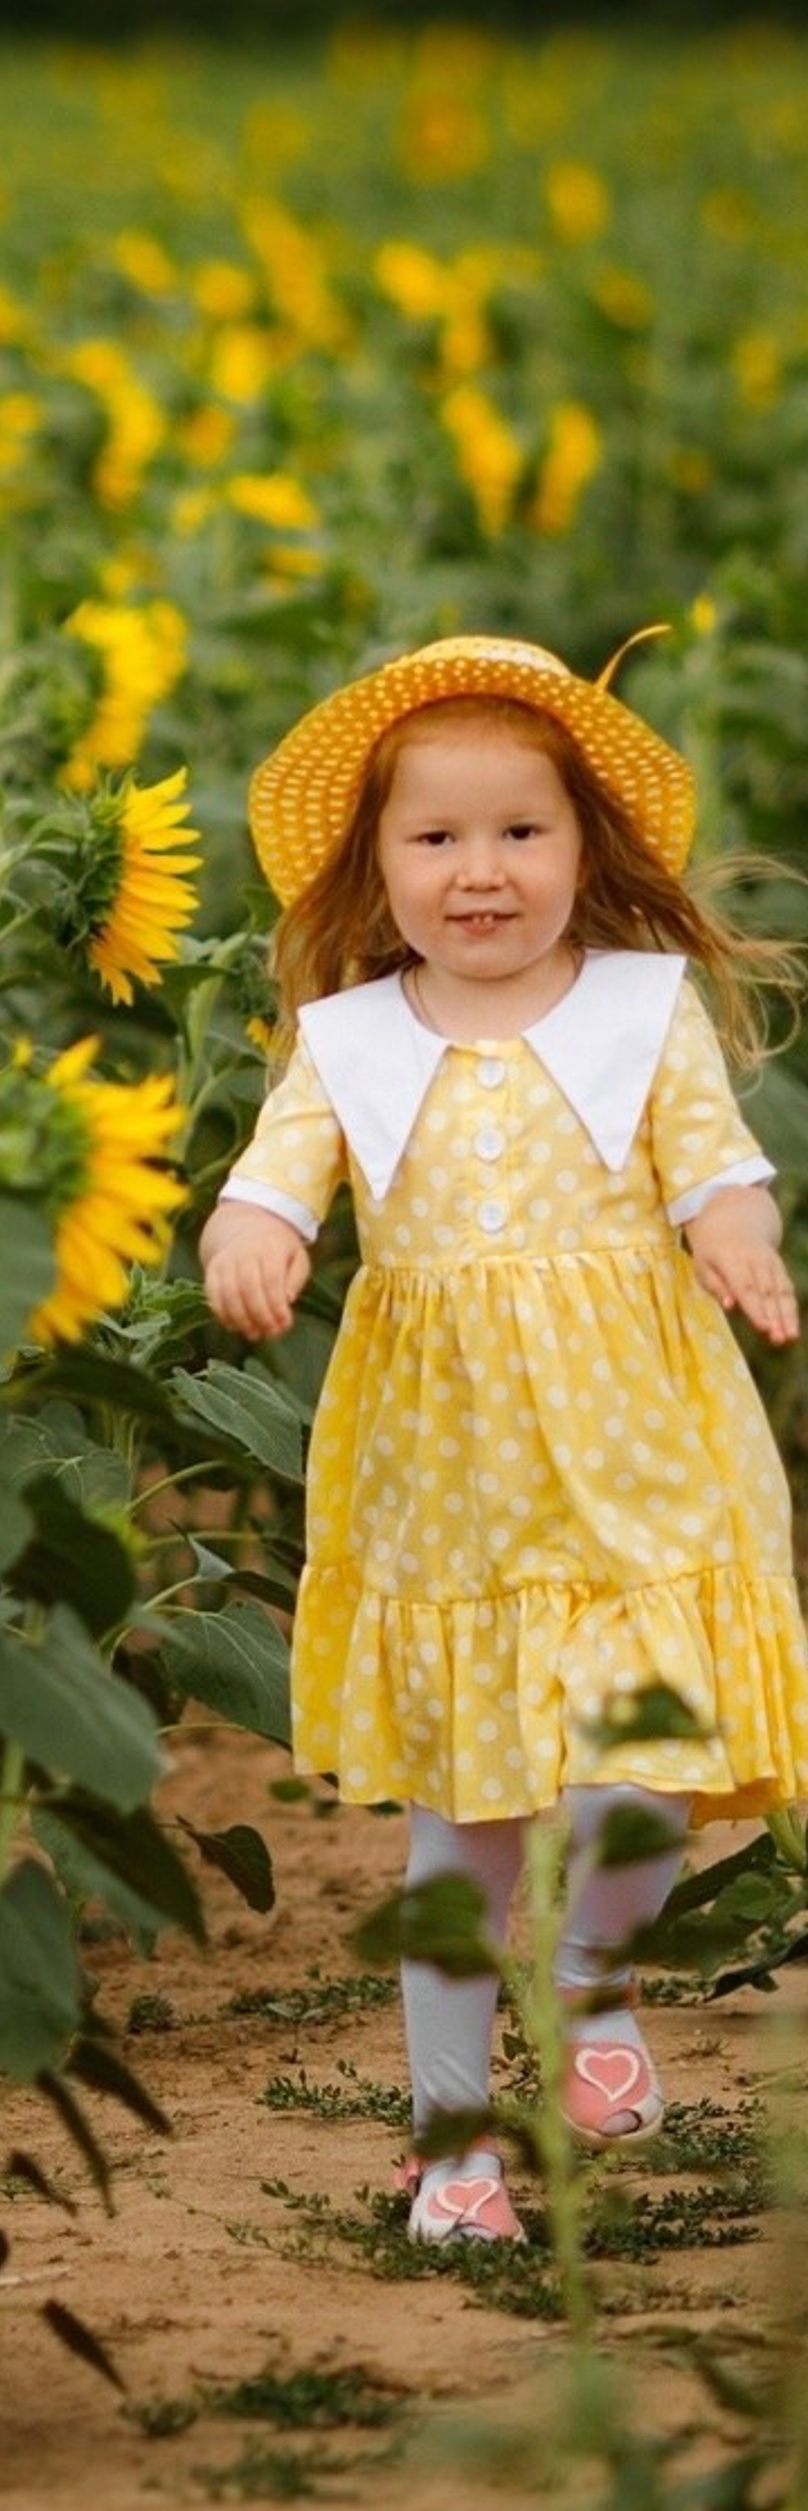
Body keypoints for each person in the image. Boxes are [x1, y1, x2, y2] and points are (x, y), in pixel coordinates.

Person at [197, 635, 808, 2243]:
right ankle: (457, 2148)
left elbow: (713, 1165)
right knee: (460, 1827)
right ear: (378, 861)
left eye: (521, 834)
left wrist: (740, 1236)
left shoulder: (640, 1012)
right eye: (437, 839)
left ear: (586, 848)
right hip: (447, 1482)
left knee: (649, 1769)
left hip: (637, 1467)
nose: (482, 874)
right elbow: (273, 1178)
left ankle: (588, 1981)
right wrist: (247, 1246)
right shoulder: (349, 1040)